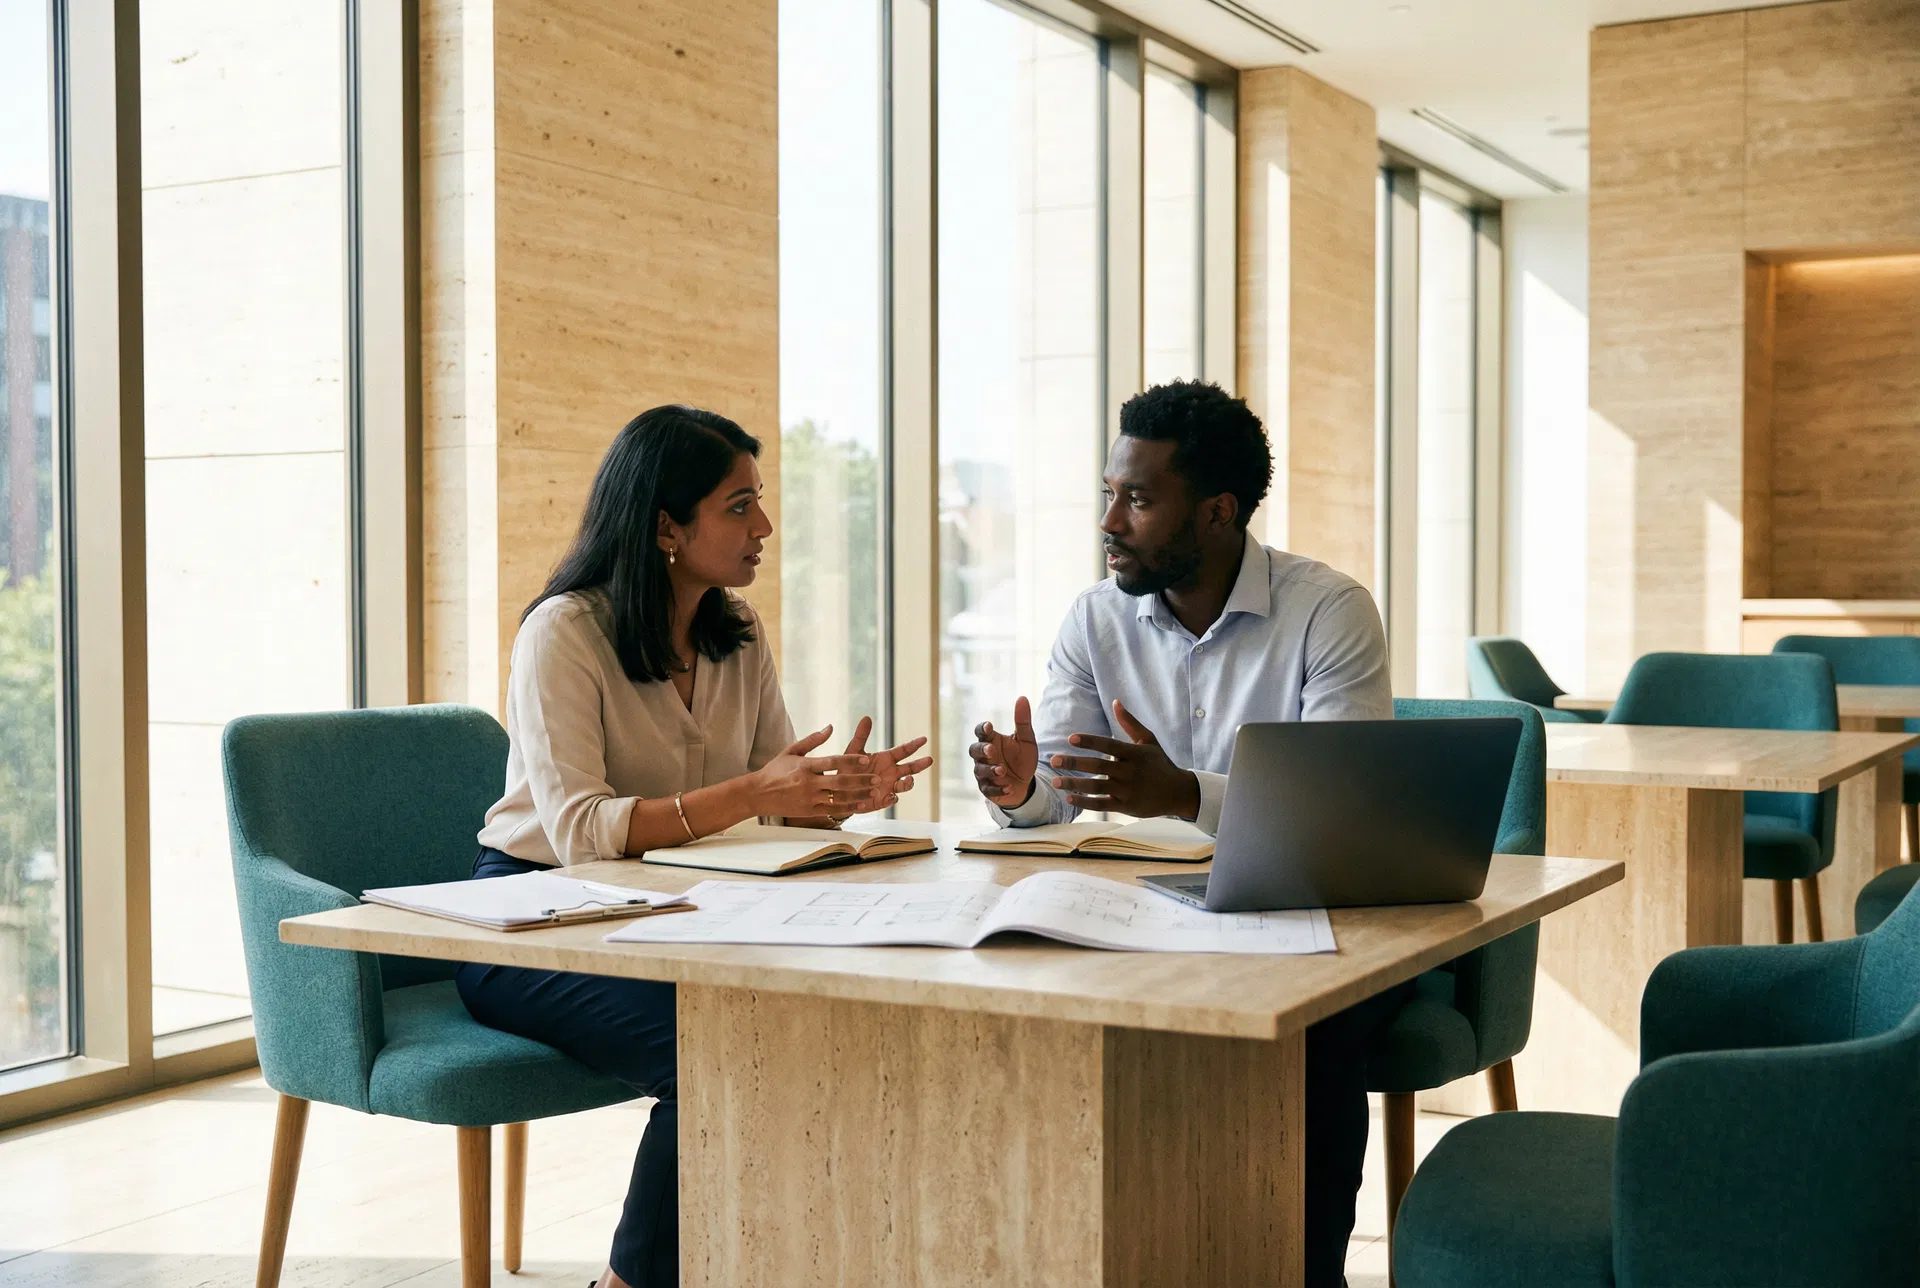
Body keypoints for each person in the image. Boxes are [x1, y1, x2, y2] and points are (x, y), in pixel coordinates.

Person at [454, 404, 932, 1288]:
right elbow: (581, 831)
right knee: (711, 1047)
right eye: (740, 505)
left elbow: (766, 798)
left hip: (675, 906)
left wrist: (834, 795)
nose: (766, 527)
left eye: (761, 502)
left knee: (819, 1022)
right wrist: (759, 793)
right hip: (527, 917)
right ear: (667, 527)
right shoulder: (563, 632)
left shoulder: (736, 630)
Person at [969, 379, 1396, 1288]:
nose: (1109, 521)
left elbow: (1335, 819)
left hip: (1312, 919)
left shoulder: (1329, 612)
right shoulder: (1094, 618)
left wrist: (1184, 794)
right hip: (1148, 919)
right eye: (1108, 494)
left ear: (1216, 512)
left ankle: (1303, 1271)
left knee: (1310, 1041)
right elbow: (1060, 796)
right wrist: (1019, 790)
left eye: (1138, 498)